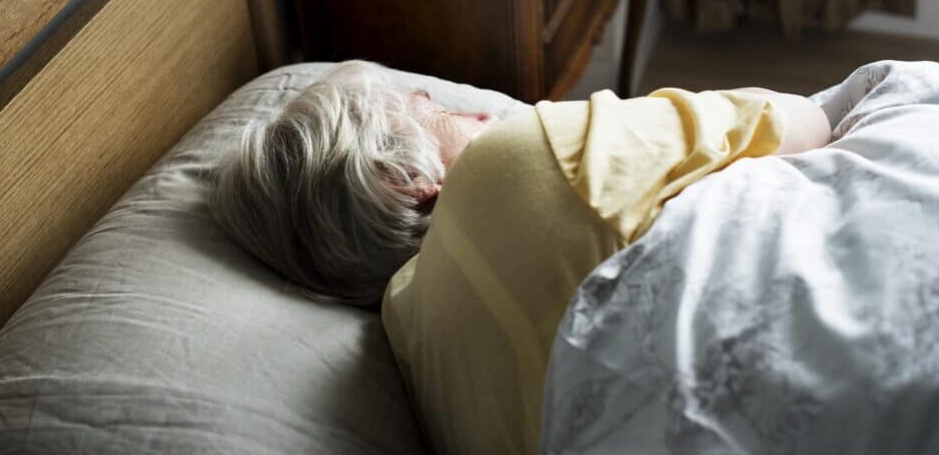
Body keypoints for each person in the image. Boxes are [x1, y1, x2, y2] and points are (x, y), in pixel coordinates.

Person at [212, 60, 831, 454]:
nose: (478, 110)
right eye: (436, 108)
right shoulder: (507, 163)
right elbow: (802, 122)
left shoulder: (412, 341)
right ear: (402, 178)